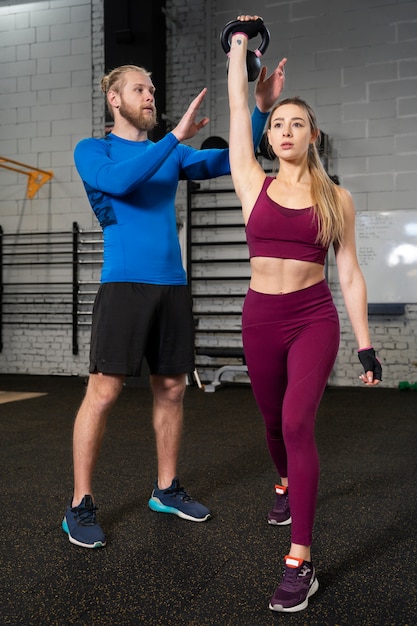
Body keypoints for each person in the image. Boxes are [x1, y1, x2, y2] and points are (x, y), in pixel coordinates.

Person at [62, 63, 285, 549]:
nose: (150, 95)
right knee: (102, 393)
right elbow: (119, 183)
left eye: (152, 89)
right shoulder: (93, 150)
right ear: (115, 100)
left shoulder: (171, 154)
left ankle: (166, 489)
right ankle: (80, 503)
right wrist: (172, 140)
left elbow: (226, 161)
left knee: (172, 390)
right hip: (124, 286)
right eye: (139, 89)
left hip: (172, 287)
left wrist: (260, 108)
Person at [227, 16, 382, 613]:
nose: (286, 130)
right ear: (270, 137)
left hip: (313, 318)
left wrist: (365, 343)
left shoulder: (334, 197)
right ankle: (286, 484)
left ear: (312, 134)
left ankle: (301, 561)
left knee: (297, 426)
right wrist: (239, 50)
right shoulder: (251, 182)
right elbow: (240, 111)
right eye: (279, 123)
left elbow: (349, 272)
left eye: (298, 123)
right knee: (271, 427)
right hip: (260, 318)